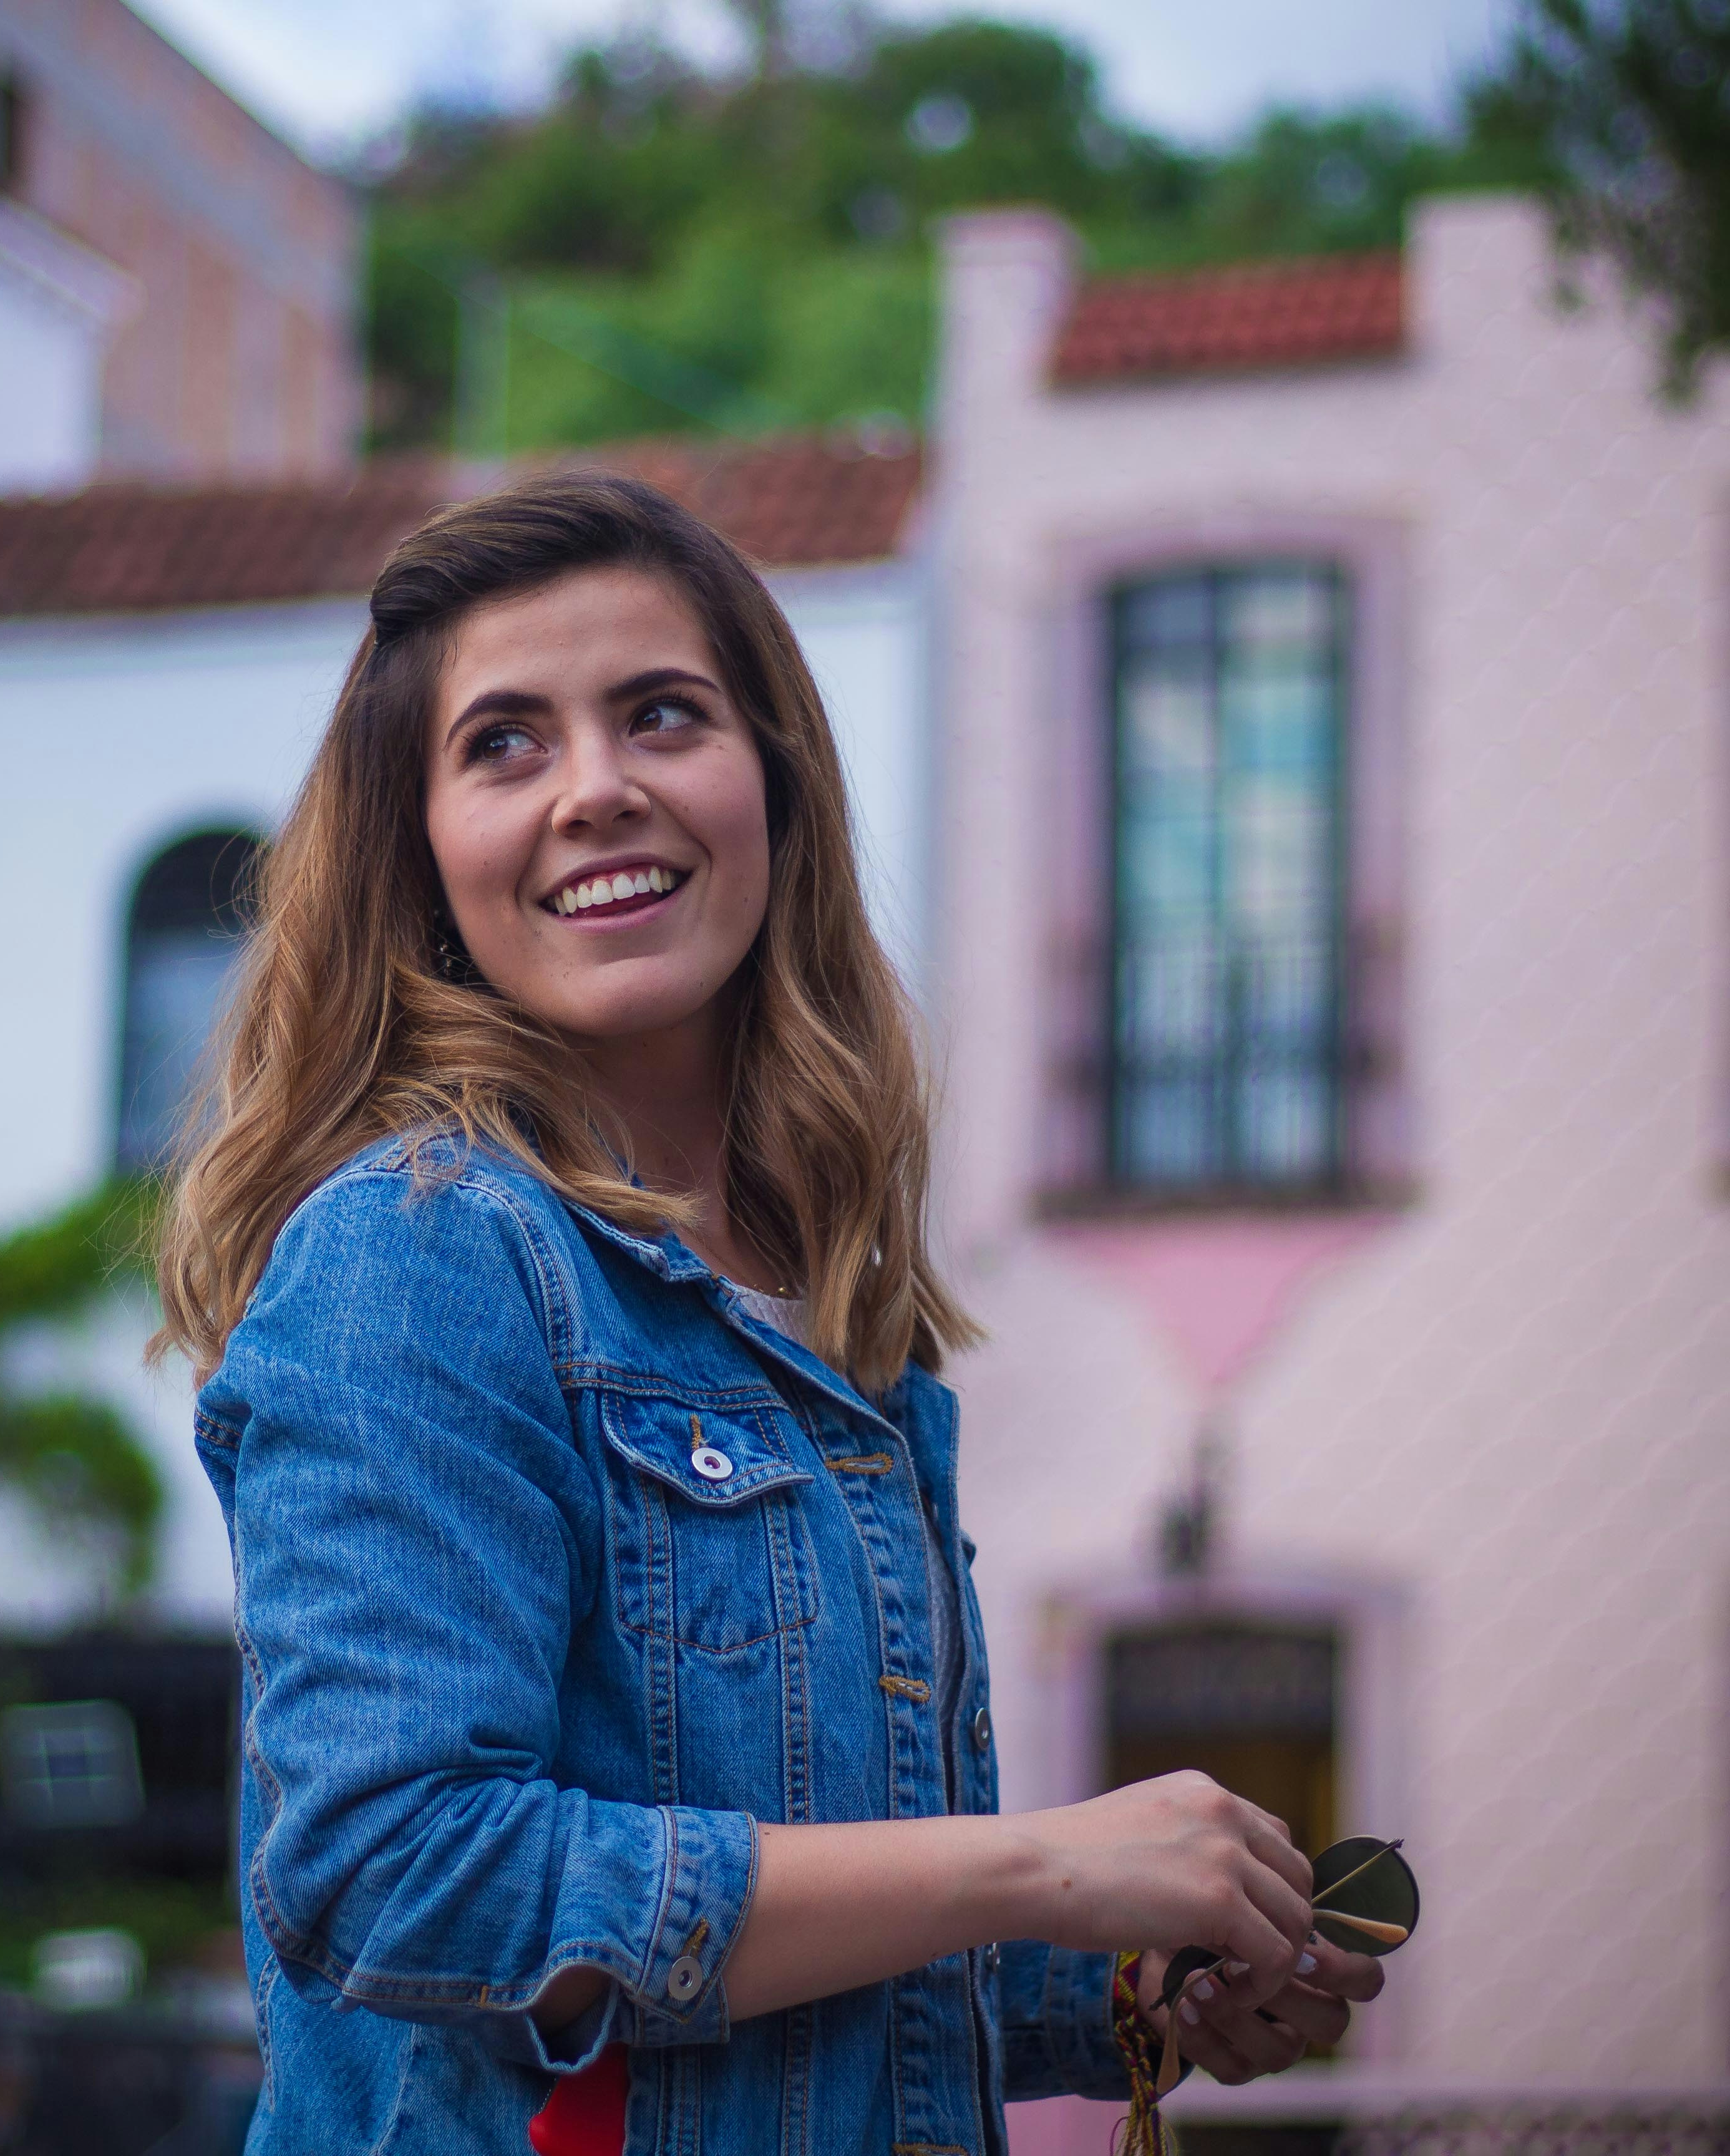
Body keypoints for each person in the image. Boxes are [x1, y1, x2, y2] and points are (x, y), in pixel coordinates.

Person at [153, 472, 1380, 2154]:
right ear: (423, 858)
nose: (598, 789)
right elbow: (398, 1876)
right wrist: (1040, 1860)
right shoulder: (422, 1255)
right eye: (505, 743)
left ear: (773, 789)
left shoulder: (839, 1327)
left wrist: (1118, 1981)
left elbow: (820, 1967)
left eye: (663, 714)